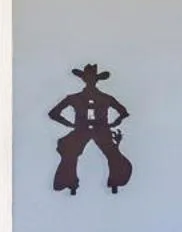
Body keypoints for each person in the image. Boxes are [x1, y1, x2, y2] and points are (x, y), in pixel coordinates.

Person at [49, 63, 132, 194]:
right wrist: (69, 124)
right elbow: (53, 113)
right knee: (70, 153)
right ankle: (70, 183)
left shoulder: (102, 98)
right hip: (87, 131)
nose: (90, 81)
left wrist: (114, 123)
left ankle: (115, 182)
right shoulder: (80, 98)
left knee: (112, 155)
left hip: (96, 130)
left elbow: (123, 112)